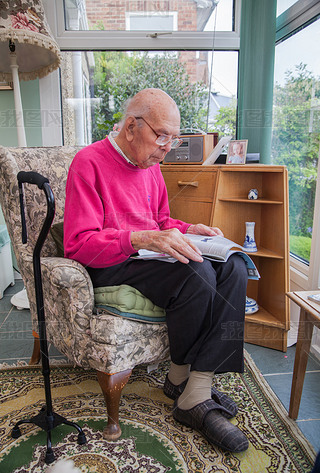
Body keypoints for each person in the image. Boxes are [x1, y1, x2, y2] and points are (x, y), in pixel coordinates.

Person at [64, 88, 249, 453]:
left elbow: (162, 221)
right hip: (114, 262)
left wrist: (188, 229)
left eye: (173, 138)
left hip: (149, 254)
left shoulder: (150, 166)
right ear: (131, 127)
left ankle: (192, 382)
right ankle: (188, 391)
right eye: (161, 136)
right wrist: (139, 238)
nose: (167, 147)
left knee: (235, 266)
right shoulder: (88, 163)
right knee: (197, 276)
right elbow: (78, 244)